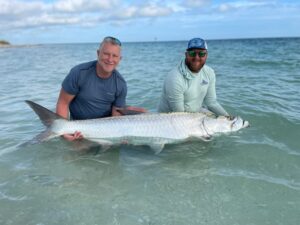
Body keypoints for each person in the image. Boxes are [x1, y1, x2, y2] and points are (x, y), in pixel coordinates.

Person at [56, 36, 146, 141]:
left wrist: (122, 135)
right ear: (98, 53)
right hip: (78, 129)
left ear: (119, 59)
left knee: (142, 113)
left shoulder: (120, 84)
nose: (110, 59)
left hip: (104, 129)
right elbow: (63, 103)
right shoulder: (79, 73)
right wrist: (63, 132)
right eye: (106, 54)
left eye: (115, 56)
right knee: (79, 152)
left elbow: (115, 117)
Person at [158, 37, 229, 117]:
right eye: (192, 53)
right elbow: (180, 116)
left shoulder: (209, 73)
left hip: (193, 113)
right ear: (186, 55)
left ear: (206, 55)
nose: (196, 58)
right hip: (171, 120)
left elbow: (211, 102)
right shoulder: (175, 78)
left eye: (201, 54)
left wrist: (228, 118)